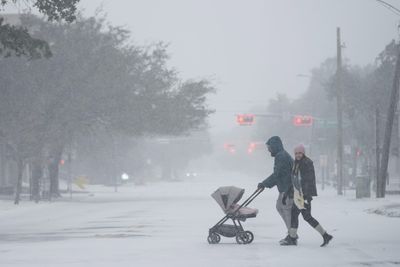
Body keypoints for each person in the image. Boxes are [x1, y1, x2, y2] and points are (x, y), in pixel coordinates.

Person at [280, 144, 333, 247]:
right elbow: (294, 180)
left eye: (300, 153)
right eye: (296, 153)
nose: (298, 155)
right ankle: (324, 235)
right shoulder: (297, 163)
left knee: (302, 216)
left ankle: (293, 238)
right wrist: (287, 194)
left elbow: (309, 181)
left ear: (303, 153)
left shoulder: (306, 163)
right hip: (298, 195)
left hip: (303, 196)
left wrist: (306, 196)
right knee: (301, 216)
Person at [258, 136, 294, 244]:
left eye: (269, 147)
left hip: (288, 188)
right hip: (285, 188)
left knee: (286, 210)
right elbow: (278, 175)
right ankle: (291, 233)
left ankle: (292, 236)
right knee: (280, 207)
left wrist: (264, 184)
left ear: (274, 146)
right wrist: (265, 184)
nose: (268, 150)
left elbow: (276, 175)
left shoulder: (281, 156)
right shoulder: (281, 155)